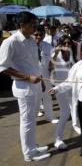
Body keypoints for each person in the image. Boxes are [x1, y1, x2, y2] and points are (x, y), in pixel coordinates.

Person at [0, 11, 50, 161]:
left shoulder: (30, 40)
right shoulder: (11, 42)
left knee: (32, 119)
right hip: (23, 87)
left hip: (35, 85)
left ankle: (33, 146)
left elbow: (33, 63)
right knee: (27, 121)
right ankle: (28, 154)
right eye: (32, 25)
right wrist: (27, 77)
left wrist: (39, 79)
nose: (35, 28)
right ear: (22, 25)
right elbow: (2, 67)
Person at [49, 35, 79, 150]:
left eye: (69, 43)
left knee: (75, 108)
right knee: (65, 113)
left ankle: (76, 126)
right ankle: (58, 139)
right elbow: (50, 67)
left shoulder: (73, 55)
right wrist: (56, 53)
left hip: (72, 86)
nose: (67, 45)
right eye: (64, 43)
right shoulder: (56, 56)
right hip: (60, 88)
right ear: (60, 45)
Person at [32, 25, 58, 124]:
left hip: (46, 76)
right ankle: (32, 119)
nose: (38, 37)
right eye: (36, 35)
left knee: (47, 97)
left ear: (44, 34)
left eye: (41, 34)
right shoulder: (28, 46)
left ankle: (49, 116)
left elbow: (54, 58)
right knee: (35, 99)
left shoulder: (47, 46)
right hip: (32, 77)